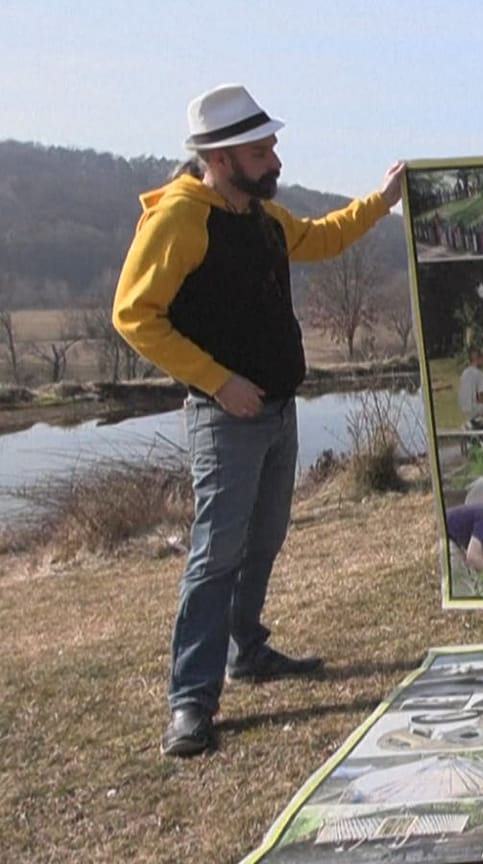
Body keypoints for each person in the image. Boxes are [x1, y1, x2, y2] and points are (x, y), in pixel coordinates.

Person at [112, 84, 403, 756]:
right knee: (216, 555)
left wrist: (382, 203)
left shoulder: (258, 215)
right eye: (261, 148)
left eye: (271, 144)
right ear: (219, 157)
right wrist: (217, 382)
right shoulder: (182, 218)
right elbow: (133, 315)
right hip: (225, 416)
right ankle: (190, 700)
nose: (275, 156)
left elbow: (323, 238)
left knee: (264, 538)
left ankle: (248, 652)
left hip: (276, 410)